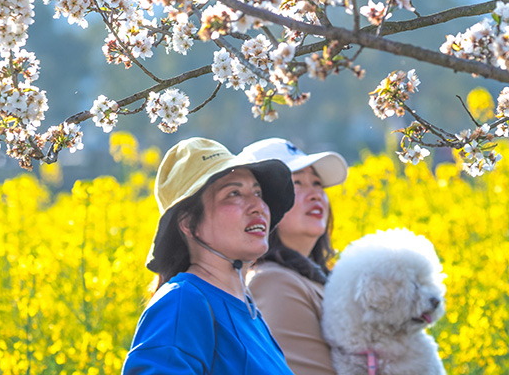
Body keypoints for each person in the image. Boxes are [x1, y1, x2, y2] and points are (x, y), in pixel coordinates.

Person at [122, 137, 296, 375]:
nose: (258, 206)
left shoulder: (249, 311)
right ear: (188, 223)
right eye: (234, 193)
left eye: (257, 192)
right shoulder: (183, 301)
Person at [240, 138, 348, 375]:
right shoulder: (273, 282)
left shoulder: (312, 279)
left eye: (317, 183)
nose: (315, 194)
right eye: (296, 183)